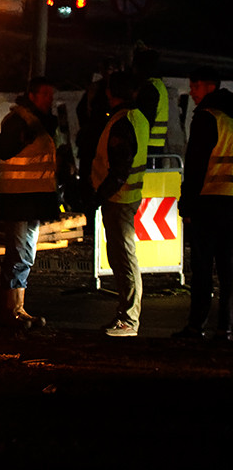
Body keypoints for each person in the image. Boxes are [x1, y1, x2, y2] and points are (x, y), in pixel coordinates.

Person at [0, 77, 60, 329]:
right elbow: (2, 148)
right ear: (32, 96)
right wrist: (24, 135)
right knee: (18, 255)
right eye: (45, 94)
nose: (50, 99)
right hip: (19, 200)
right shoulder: (19, 121)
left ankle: (17, 309)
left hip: (32, 199)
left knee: (26, 255)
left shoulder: (38, 122)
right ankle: (10, 312)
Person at [176, 68, 233, 340]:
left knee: (202, 268)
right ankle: (226, 327)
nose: (192, 91)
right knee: (229, 270)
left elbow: (196, 168)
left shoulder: (206, 118)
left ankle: (195, 325)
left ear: (210, 87)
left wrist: (186, 205)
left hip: (209, 204)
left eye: (195, 85)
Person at [91, 70, 149, 337]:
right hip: (126, 197)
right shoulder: (136, 118)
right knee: (123, 257)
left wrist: (99, 194)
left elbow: (119, 167)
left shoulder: (122, 121)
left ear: (110, 93)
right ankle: (126, 316)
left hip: (118, 198)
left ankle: (128, 320)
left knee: (124, 258)